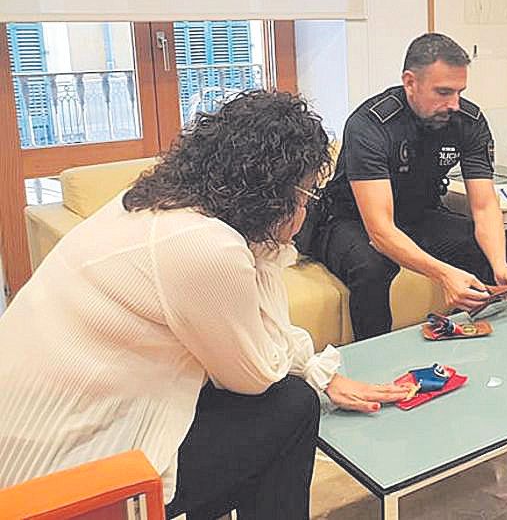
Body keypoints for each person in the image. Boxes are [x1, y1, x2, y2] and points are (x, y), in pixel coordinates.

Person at [0, 91, 412, 519]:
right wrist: (274, 245)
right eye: (306, 193)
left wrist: (313, 368)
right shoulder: (205, 246)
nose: (307, 208)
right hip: (65, 482)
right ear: (273, 192)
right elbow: (255, 374)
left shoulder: (152, 203)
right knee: (291, 406)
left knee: (275, 405)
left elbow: (257, 332)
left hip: (27, 449)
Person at [306, 33, 507, 340]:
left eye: (460, 92)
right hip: (349, 220)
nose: (454, 104)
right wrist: (444, 273)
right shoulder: (370, 125)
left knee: (489, 250)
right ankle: (375, 360)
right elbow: (380, 230)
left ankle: (476, 341)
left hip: (418, 213)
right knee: (372, 268)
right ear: (410, 82)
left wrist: (500, 264)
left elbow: (484, 204)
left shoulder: (469, 121)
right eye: (443, 92)